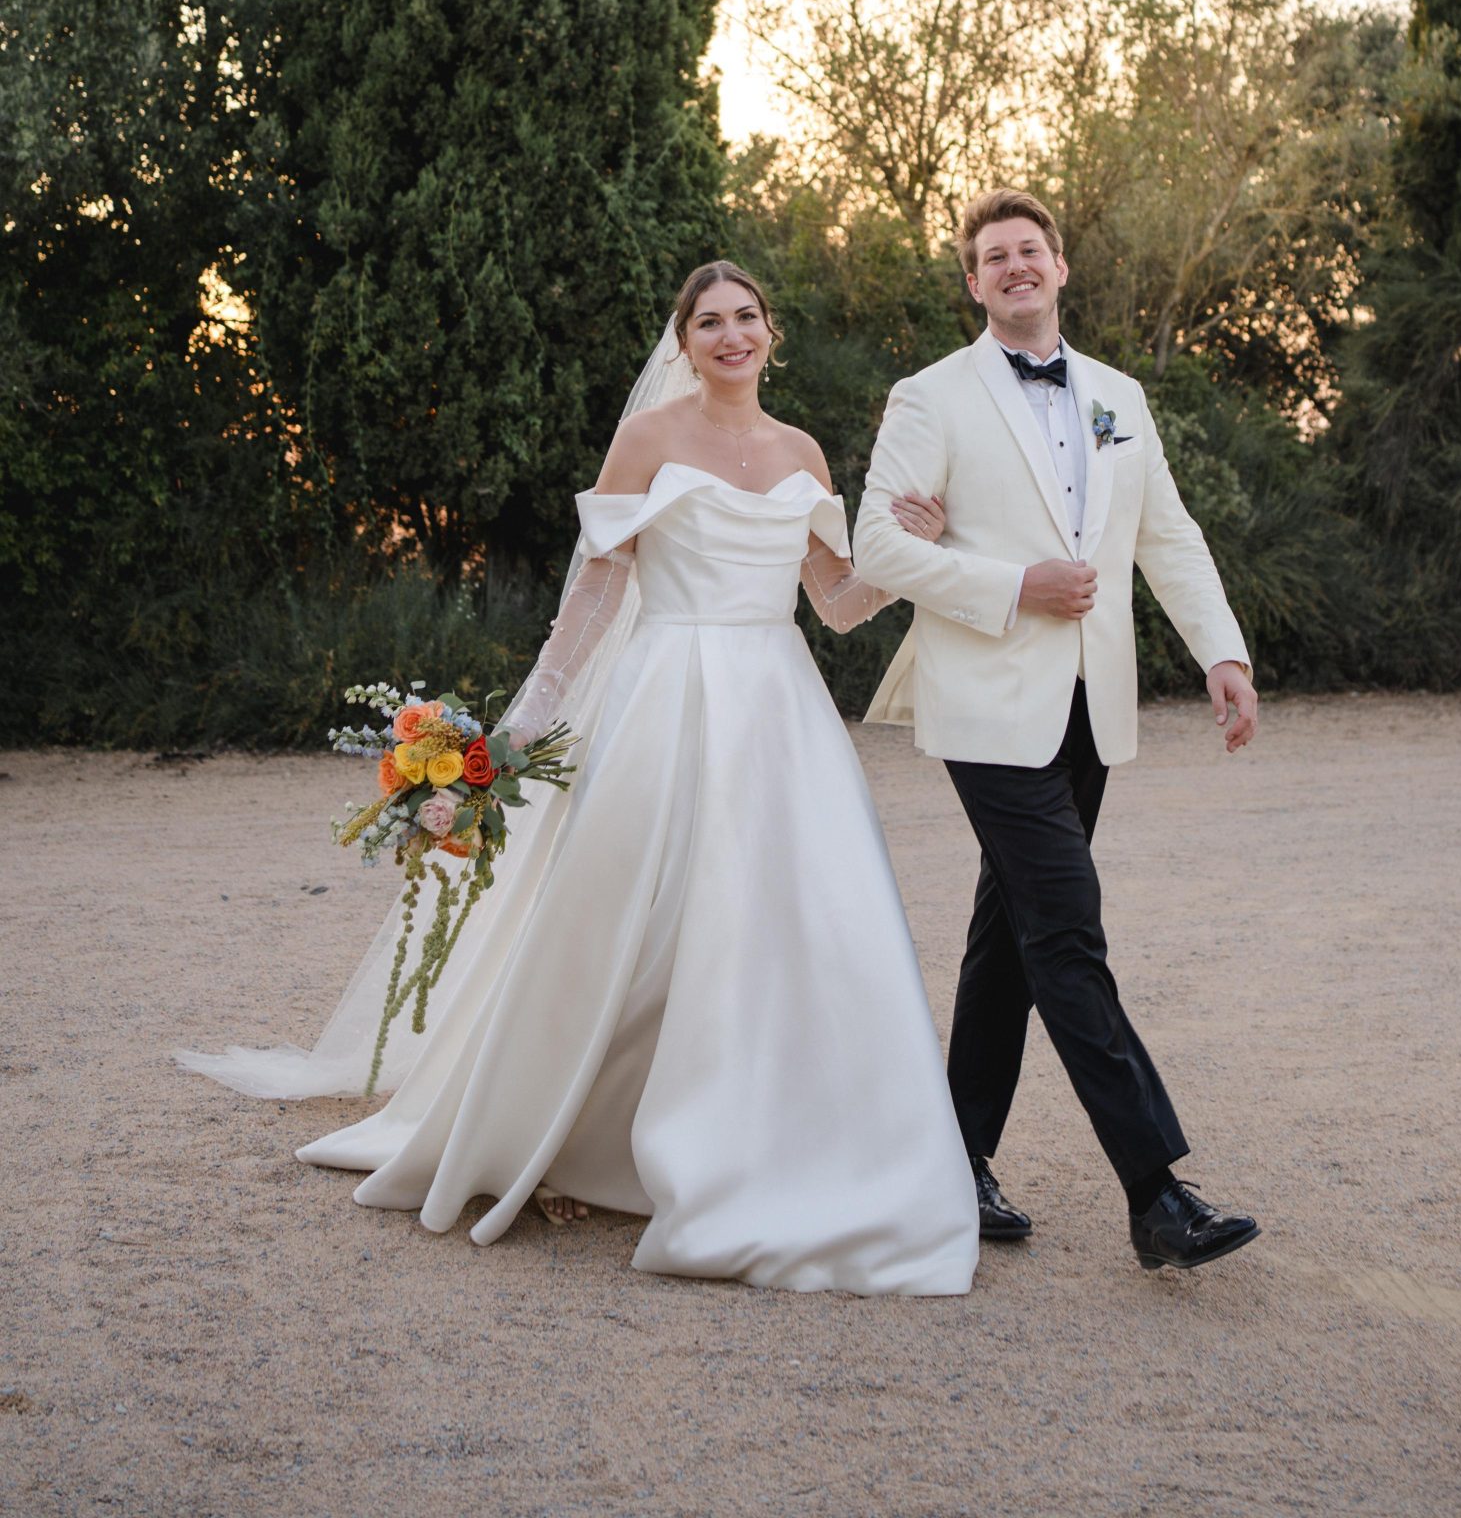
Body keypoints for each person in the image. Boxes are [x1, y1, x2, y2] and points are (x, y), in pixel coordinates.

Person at [180, 263, 979, 1295]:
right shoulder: (649, 440)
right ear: (683, 341)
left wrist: (914, 547)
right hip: (666, 697)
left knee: (782, 921)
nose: (731, 336)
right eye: (709, 322)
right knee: (623, 924)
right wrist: (517, 731)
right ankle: (565, 1134)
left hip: (779, 707)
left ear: (771, 334)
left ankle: (760, 1136)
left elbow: (833, 602)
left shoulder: (802, 451)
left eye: (746, 319)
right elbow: (598, 594)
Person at [853, 188, 1262, 1273]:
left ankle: (953, 1164)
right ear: (973, 282)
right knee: (1068, 925)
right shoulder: (928, 397)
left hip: (1093, 707)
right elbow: (876, 549)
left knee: (1015, 938)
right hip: (986, 703)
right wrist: (1012, 583)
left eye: (1029, 249)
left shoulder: (1119, 396)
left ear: (1061, 266)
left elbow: (1166, 535)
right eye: (993, 257)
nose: (1014, 266)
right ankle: (1156, 1193)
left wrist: (1221, 651)